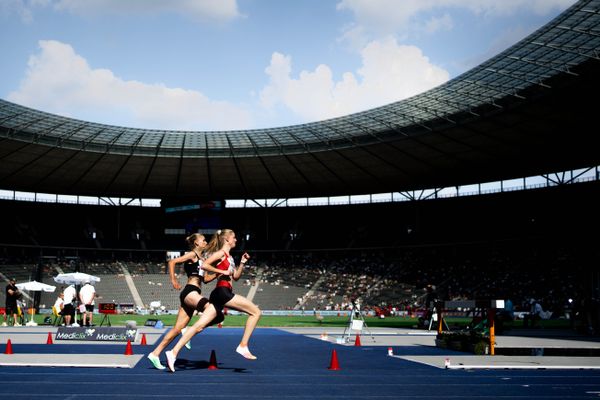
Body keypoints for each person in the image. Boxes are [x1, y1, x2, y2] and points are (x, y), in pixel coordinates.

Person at [165, 229, 261, 372]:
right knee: (256, 312)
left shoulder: (230, 257)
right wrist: (222, 272)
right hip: (222, 292)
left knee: (198, 326)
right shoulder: (221, 253)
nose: (236, 240)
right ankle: (243, 345)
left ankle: (172, 353)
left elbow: (235, 277)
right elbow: (204, 266)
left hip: (221, 293)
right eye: (234, 237)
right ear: (227, 239)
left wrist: (241, 263)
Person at [147, 233, 222, 370]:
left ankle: (154, 353)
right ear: (196, 243)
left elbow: (204, 279)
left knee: (176, 329)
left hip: (194, 293)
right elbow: (172, 262)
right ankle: (187, 330)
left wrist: (218, 273)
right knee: (213, 309)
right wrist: (173, 280)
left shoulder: (201, 258)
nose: (205, 241)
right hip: (190, 291)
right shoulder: (192, 254)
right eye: (203, 240)